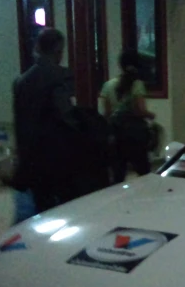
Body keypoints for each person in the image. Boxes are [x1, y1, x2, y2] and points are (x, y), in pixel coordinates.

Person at [12, 27, 86, 219]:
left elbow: (20, 123)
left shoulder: (21, 81)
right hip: (56, 158)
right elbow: (65, 115)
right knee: (59, 214)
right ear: (58, 50)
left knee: (36, 210)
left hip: (30, 158)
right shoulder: (60, 76)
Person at [100, 50, 156, 183]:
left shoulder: (108, 85)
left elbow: (107, 114)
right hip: (135, 136)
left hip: (116, 135)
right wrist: (151, 115)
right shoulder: (137, 84)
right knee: (144, 172)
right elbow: (139, 110)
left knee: (118, 175)